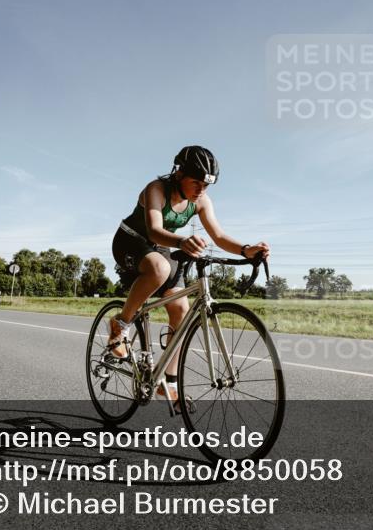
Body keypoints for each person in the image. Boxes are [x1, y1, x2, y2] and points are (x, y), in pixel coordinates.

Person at [107, 146, 269, 405]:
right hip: (130, 240)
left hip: (161, 246)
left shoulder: (201, 201)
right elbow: (154, 230)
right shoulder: (156, 189)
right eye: (196, 183)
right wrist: (182, 242)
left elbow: (219, 236)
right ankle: (120, 324)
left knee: (181, 309)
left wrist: (246, 249)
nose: (201, 190)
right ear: (179, 173)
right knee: (159, 268)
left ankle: (168, 382)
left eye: (206, 185)